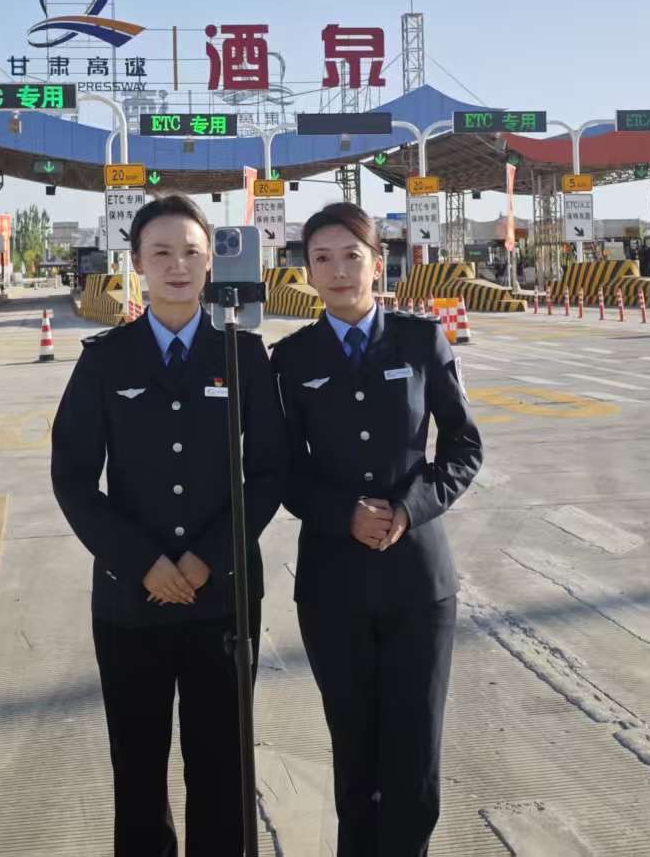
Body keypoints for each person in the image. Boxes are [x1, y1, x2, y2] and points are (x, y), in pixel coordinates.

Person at [51, 194, 286, 856]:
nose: (177, 265)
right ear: (136, 264)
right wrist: (141, 562)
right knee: (137, 769)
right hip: (131, 602)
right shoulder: (105, 359)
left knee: (222, 769)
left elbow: (270, 471)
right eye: (161, 252)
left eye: (190, 251)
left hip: (224, 598)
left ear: (211, 262)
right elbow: (73, 477)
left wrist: (210, 556)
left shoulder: (243, 356)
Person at [271, 202, 483, 856]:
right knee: (356, 755)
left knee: (414, 758)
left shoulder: (422, 341)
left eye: (351, 256)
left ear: (377, 262)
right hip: (332, 587)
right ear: (308, 271)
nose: (338, 271)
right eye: (323, 259)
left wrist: (410, 508)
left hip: (419, 583)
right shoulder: (290, 358)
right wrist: (343, 514)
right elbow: (280, 470)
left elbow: (463, 448)